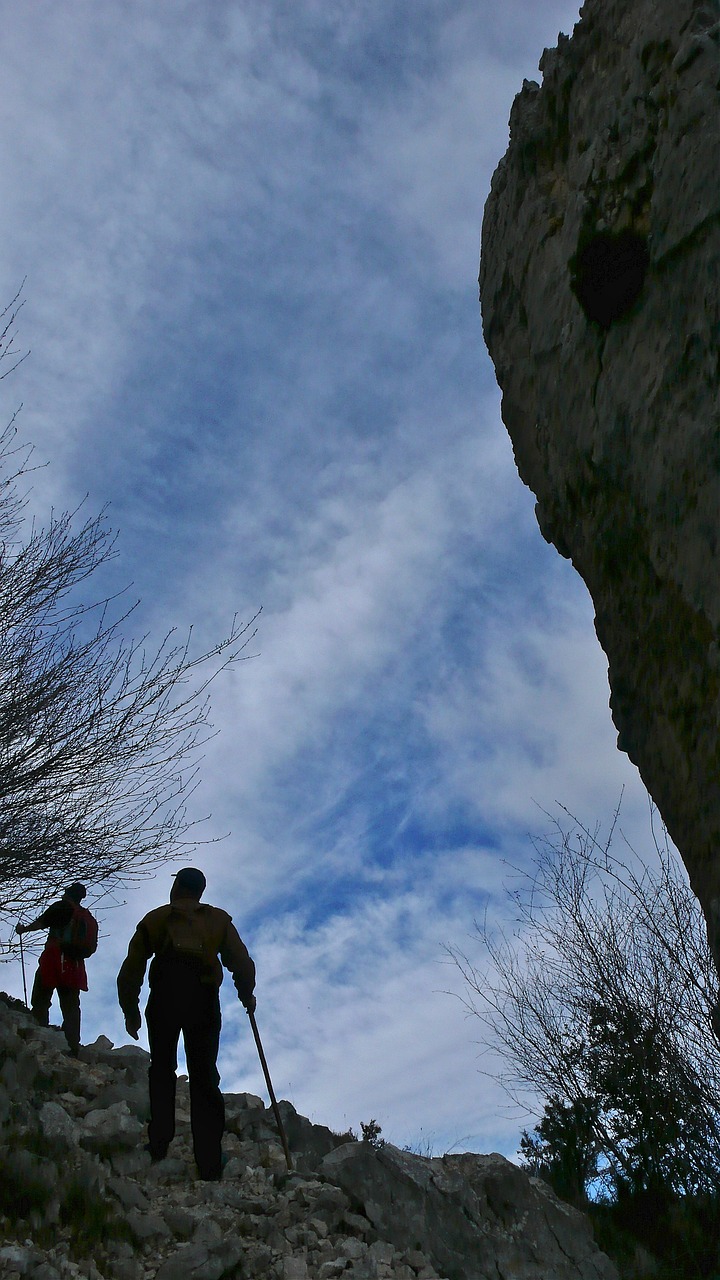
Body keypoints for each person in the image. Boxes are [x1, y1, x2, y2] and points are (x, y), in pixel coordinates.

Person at [117, 867, 256, 1181]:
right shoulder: (218, 920)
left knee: (162, 1070)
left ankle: (158, 1144)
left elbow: (132, 968)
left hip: (164, 998)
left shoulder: (157, 918)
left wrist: (131, 1009)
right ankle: (208, 1162)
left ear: (177, 887)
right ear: (200, 892)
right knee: (205, 1077)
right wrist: (246, 994)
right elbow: (241, 962)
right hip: (203, 1001)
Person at [15, 881, 94, 1056]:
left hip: (54, 958)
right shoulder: (86, 917)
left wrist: (23, 929)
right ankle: (72, 1046)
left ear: (68, 894)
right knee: (71, 1006)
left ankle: (39, 1035)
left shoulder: (62, 907)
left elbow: (42, 922)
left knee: (41, 997)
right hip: (75, 965)